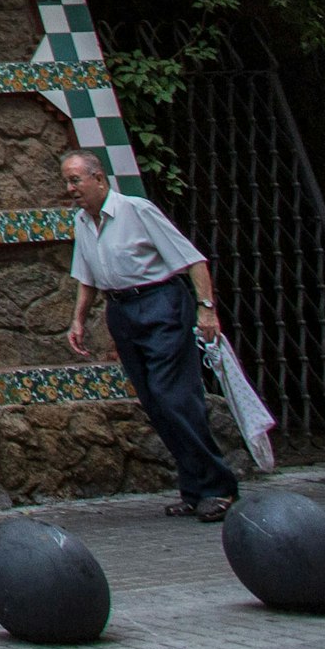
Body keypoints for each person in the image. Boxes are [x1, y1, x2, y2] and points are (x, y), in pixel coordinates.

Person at [59, 148, 242, 519]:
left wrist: (207, 310)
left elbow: (193, 260)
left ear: (98, 178)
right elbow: (87, 278)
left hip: (160, 303)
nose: (70, 188)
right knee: (156, 403)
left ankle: (219, 488)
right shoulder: (82, 221)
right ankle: (194, 489)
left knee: (173, 395)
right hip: (122, 310)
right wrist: (78, 320)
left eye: (75, 180)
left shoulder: (136, 210)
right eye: (66, 181)